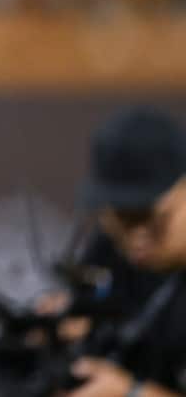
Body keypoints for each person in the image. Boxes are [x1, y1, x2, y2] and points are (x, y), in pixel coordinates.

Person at [62, 107, 186, 397]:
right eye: (120, 216)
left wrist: (131, 393)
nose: (135, 235)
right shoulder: (110, 250)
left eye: (150, 216)